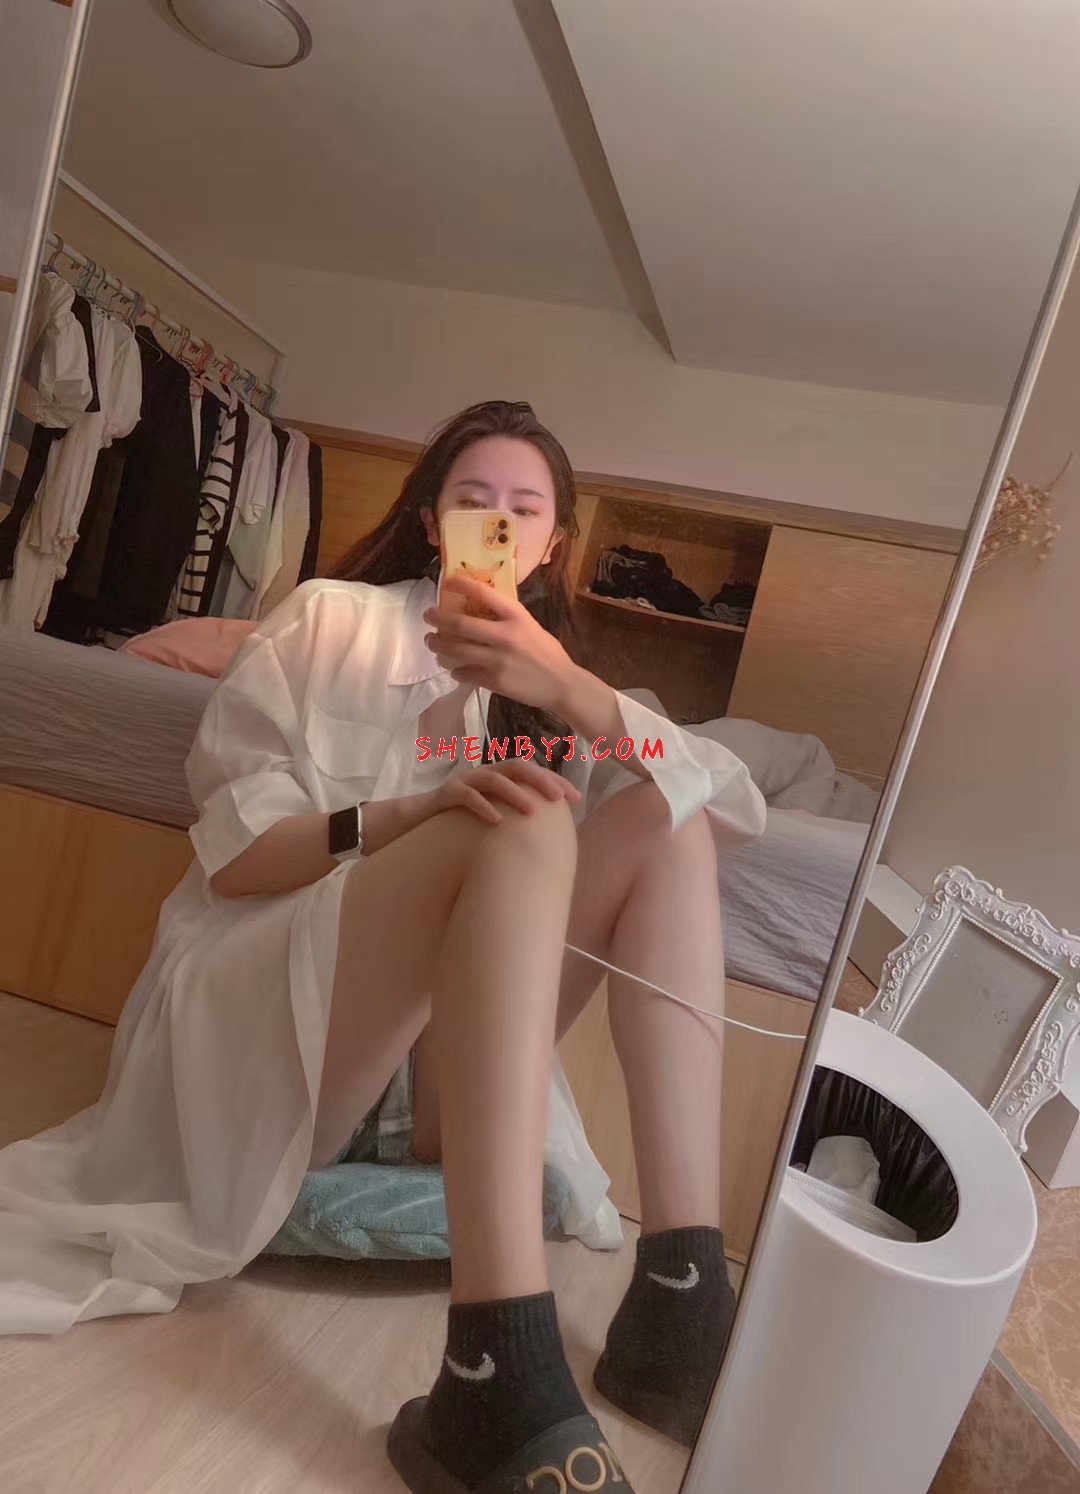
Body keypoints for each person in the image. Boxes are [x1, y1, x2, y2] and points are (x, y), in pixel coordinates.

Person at [0, 401, 766, 1493]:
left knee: (670, 816)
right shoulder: (330, 623)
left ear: (552, 546)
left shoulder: (566, 691)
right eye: (472, 501)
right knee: (518, 821)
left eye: (523, 510)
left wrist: (566, 687)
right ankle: (495, 1357)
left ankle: (681, 1299)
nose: (496, 525)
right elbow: (236, 858)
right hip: (301, 1037)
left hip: (449, 1077)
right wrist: (413, 814)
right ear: (429, 521)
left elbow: (732, 807)